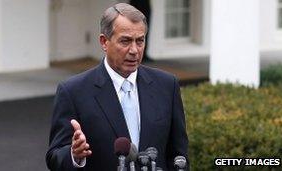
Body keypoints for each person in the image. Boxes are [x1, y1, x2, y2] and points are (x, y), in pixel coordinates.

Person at [46, 3, 189, 171]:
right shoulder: (73, 92)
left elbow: (179, 155)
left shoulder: (167, 85)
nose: (134, 50)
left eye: (140, 41)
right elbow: (55, 157)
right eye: (125, 41)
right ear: (104, 42)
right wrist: (74, 155)